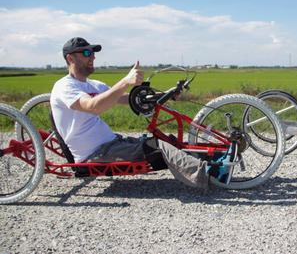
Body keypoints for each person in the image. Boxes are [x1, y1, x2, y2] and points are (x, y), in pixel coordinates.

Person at [50, 37, 233, 189]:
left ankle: (216, 159)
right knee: (158, 147)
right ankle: (211, 176)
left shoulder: (93, 85)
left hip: (113, 142)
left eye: (93, 53)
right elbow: (93, 106)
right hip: (95, 154)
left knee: (168, 140)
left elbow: (128, 99)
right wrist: (125, 81)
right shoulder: (65, 86)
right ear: (70, 58)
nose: (93, 57)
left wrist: (166, 94)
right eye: (87, 53)